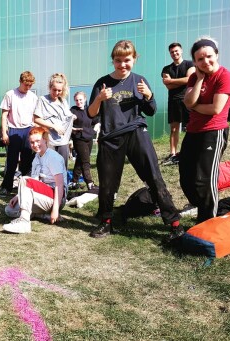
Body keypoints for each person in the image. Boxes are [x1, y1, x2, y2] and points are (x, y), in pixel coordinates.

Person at [87, 40, 181, 240]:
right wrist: (99, 99)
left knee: (154, 176)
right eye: (118, 60)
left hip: (137, 132)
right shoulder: (102, 83)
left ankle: (174, 222)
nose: (122, 64)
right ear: (112, 60)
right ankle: (106, 222)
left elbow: (152, 110)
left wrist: (149, 95)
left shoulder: (140, 80)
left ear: (134, 59)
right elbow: (91, 114)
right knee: (107, 183)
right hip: (110, 137)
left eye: (127, 60)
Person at [180, 37, 230, 223]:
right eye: (200, 59)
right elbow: (187, 101)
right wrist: (199, 80)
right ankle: (203, 207)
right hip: (193, 131)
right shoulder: (194, 76)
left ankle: (207, 220)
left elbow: (215, 109)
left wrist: (193, 107)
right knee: (186, 177)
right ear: (195, 62)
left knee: (204, 179)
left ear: (217, 54)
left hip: (214, 132)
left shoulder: (225, 76)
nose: (206, 62)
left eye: (209, 56)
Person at [2, 126, 67, 234]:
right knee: (9, 210)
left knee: (24, 180)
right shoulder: (36, 157)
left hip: (56, 197)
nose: (35, 145)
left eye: (38, 141)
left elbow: (59, 185)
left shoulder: (53, 157)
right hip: (41, 196)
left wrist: (55, 210)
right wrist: (18, 196)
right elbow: (35, 181)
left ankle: (24, 222)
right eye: (32, 142)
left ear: (45, 140)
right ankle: (40, 215)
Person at [0, 71, 38, 197]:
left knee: (27, 160)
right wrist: (4, 133)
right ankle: (6, 187)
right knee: (12, 161)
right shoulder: (10, 94)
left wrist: (35, 131)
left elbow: (35, 116)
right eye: (26, 85)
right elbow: (4, 115)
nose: (28, 88)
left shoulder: (33, 97)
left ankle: (25, 186)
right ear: (20, 82)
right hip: (14, 130)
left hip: (28, 130)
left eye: (30, 85)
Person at [161, 42, 195, 165]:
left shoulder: (189, 64)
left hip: (187, 100)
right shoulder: (166, 69)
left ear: (181, 51)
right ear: (170, 54)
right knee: (174, 129)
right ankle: (173, 154)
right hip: (173, 101)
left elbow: (189, 79)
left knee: (190, 128)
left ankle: (189, 153)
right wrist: (174, 82)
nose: (174, 53)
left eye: (176, 51)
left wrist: (172, 80)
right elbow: (168, 86)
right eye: (172, 52)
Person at [34, 73, 76, 170]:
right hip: (49, 140)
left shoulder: (63, 102)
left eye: (59, 90)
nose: (57, 93)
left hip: (63, 141)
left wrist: (72, 119)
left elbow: (65, 118)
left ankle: (62, 185)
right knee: (49, 167)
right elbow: (36, 119)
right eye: (54, 90)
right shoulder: (42, 100)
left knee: (62, 167)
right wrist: (53, 126)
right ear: (50, 87)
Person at [69, 91, 99, 190]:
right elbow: (67, 121)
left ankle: (74, 181)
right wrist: (71, 119)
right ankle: (90, 183)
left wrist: (94, 130)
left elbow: (96, 121)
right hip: (78, 138)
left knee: (80, 160)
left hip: (89, 138)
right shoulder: (73, 110)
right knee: (85, 161)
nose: (79, 102)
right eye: (77, 100)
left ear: (85, 99)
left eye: (80, 100)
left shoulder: (89, 110)